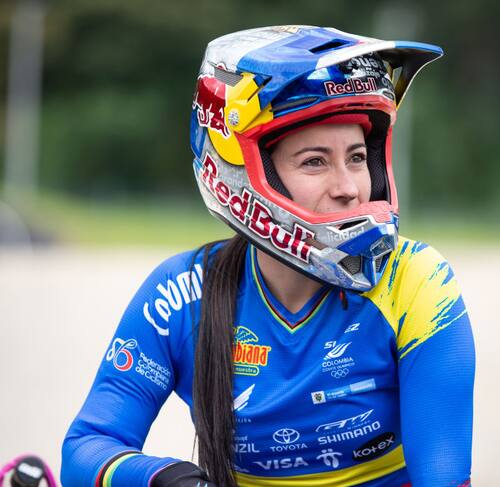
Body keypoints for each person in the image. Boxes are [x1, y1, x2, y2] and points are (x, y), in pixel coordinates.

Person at [61, 25, 475, 487]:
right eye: (315, 161)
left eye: (358, 157)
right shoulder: (181, 296)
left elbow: (445, 477)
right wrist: (165, 479)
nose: (349, 188)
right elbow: (86, 449)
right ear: (239, 169)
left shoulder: (417, 282)